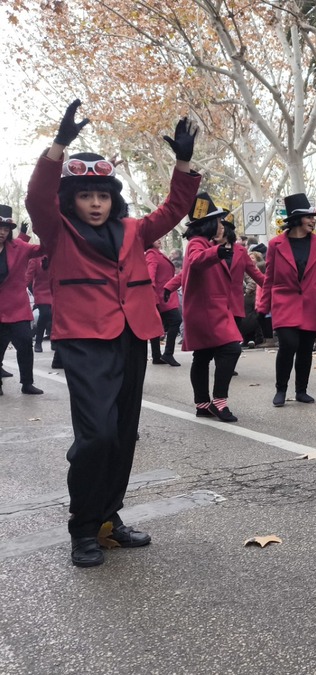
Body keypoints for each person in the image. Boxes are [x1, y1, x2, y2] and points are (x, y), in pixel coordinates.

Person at [26, 101, 200, 566]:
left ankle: (107, 520)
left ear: (113, 198)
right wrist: (58, 147)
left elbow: (175, 207)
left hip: (131, 337)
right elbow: (37, 198)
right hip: (83, 341)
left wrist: (183, 164)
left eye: (103, 195)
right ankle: (82, 528)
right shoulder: (56, 231)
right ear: (71, 200)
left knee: (123, 435)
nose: (96, 203)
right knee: (97, 436)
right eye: (86, 196)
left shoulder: (133, 230)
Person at [257, 193, 316, 407]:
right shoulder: (275, 244)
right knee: (288, 344)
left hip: (313, 303)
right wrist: (262, 306)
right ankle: (280, 389)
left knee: (305, 349)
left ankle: (301, 390)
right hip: (285, 302)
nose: (313, 221)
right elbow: (270, 277)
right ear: (297, 218)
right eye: (309, 217)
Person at [177, 194, 242, 423]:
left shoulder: (206, 244)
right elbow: (196, 261)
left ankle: (202, 403)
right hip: (206, 310)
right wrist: (217, 252)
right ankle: (218, 401)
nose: (221, 224)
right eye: (217, 220)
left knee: (202, 356)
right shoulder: (197, 243)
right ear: (208, 223)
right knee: (232, 348)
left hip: (207, 309)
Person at [0, 213, 43, 395]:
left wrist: (45, 228)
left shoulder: (19, 247)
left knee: (25, 344)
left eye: (5, 229)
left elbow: (42, 249)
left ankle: (27, 383)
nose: (2, 232)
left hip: (17, 307)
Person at [222, 220, 266, 348]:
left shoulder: (240, 251)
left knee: (232, 342)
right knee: (221, 342)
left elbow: (255, 274)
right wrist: (170, 286)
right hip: (215, 302)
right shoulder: (208, 248)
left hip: (236, 301)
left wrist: (274, 288)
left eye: (220, 228)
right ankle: (225, 367)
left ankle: (227, 367)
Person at [145, 237, 182, 366]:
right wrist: (152, 296)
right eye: (156, 237)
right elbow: (151, 276)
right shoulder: (151, 254)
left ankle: (157, 356)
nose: (159, 239)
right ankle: (167, 354)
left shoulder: (157, 253)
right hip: (161, 296)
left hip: (164, 295)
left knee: (158, 325)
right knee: (176, 320)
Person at [27, 250, 53, 354]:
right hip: (41, 290)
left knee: (55, 315)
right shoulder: (35, 259)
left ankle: (54, 341)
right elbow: (28, 277)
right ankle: (38, 341)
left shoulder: (55, 255)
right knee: (45, 314)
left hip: (54, 290)